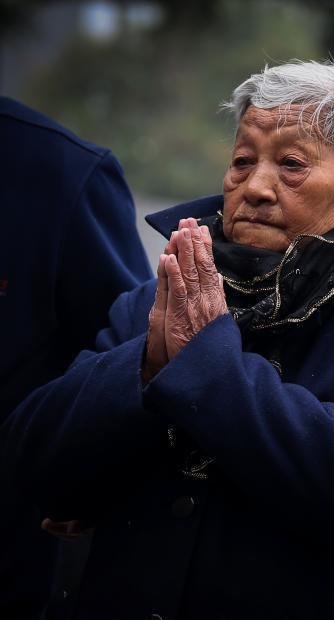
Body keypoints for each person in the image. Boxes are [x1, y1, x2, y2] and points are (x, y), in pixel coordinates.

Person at [0, 60, 334, 619]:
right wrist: (148, 363)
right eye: (241, 162)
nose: (253, 188)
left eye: (292, 165)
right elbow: (33, 466)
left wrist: (203, 362)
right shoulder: (154, 305)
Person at [0, 97, 152, 619]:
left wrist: (88, 484)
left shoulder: (58, 174)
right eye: (243, 160)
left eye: (291, 165)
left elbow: (133, 363)